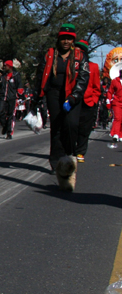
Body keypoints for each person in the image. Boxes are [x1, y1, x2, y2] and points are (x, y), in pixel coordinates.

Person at [32, 24, 90, 191]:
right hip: (54, 94)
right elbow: (41, 76)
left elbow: (83, 78)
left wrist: (73, 97)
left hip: (72, 95)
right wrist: (37, 97)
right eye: (63, 38)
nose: (66, 41)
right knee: (56, 127)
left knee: (71, 125)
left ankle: (70, 156)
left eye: (69, 38)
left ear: (73, 40)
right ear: (58, 39)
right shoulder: (50, 55)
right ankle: (56, 161)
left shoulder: (80, 56)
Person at [73, 40, 101, 162]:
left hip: (88, 102)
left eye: (80, 50)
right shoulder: (71, 65)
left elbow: (96, 87)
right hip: (74, 101)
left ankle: (80, 152)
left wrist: (94, 100)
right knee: (73, 126)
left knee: (85, 128)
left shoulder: (93, 66)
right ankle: (72, 149)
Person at [0, 60, 22, 139]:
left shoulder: (16, 75)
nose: (4, 67)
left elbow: (20, 86)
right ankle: (5, 125)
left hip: (12, 98)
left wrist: (19, 96)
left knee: (10, 115)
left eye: (5, 66)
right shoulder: (3, 76)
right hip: (2, 97)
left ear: (9, 66)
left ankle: (9, 133)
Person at [107, 73, 122, 141]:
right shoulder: (115, 81)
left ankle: (120, 134)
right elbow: (110, 91)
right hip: (117, 102)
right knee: (117, 118)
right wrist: (108, 100)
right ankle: (115, 134)